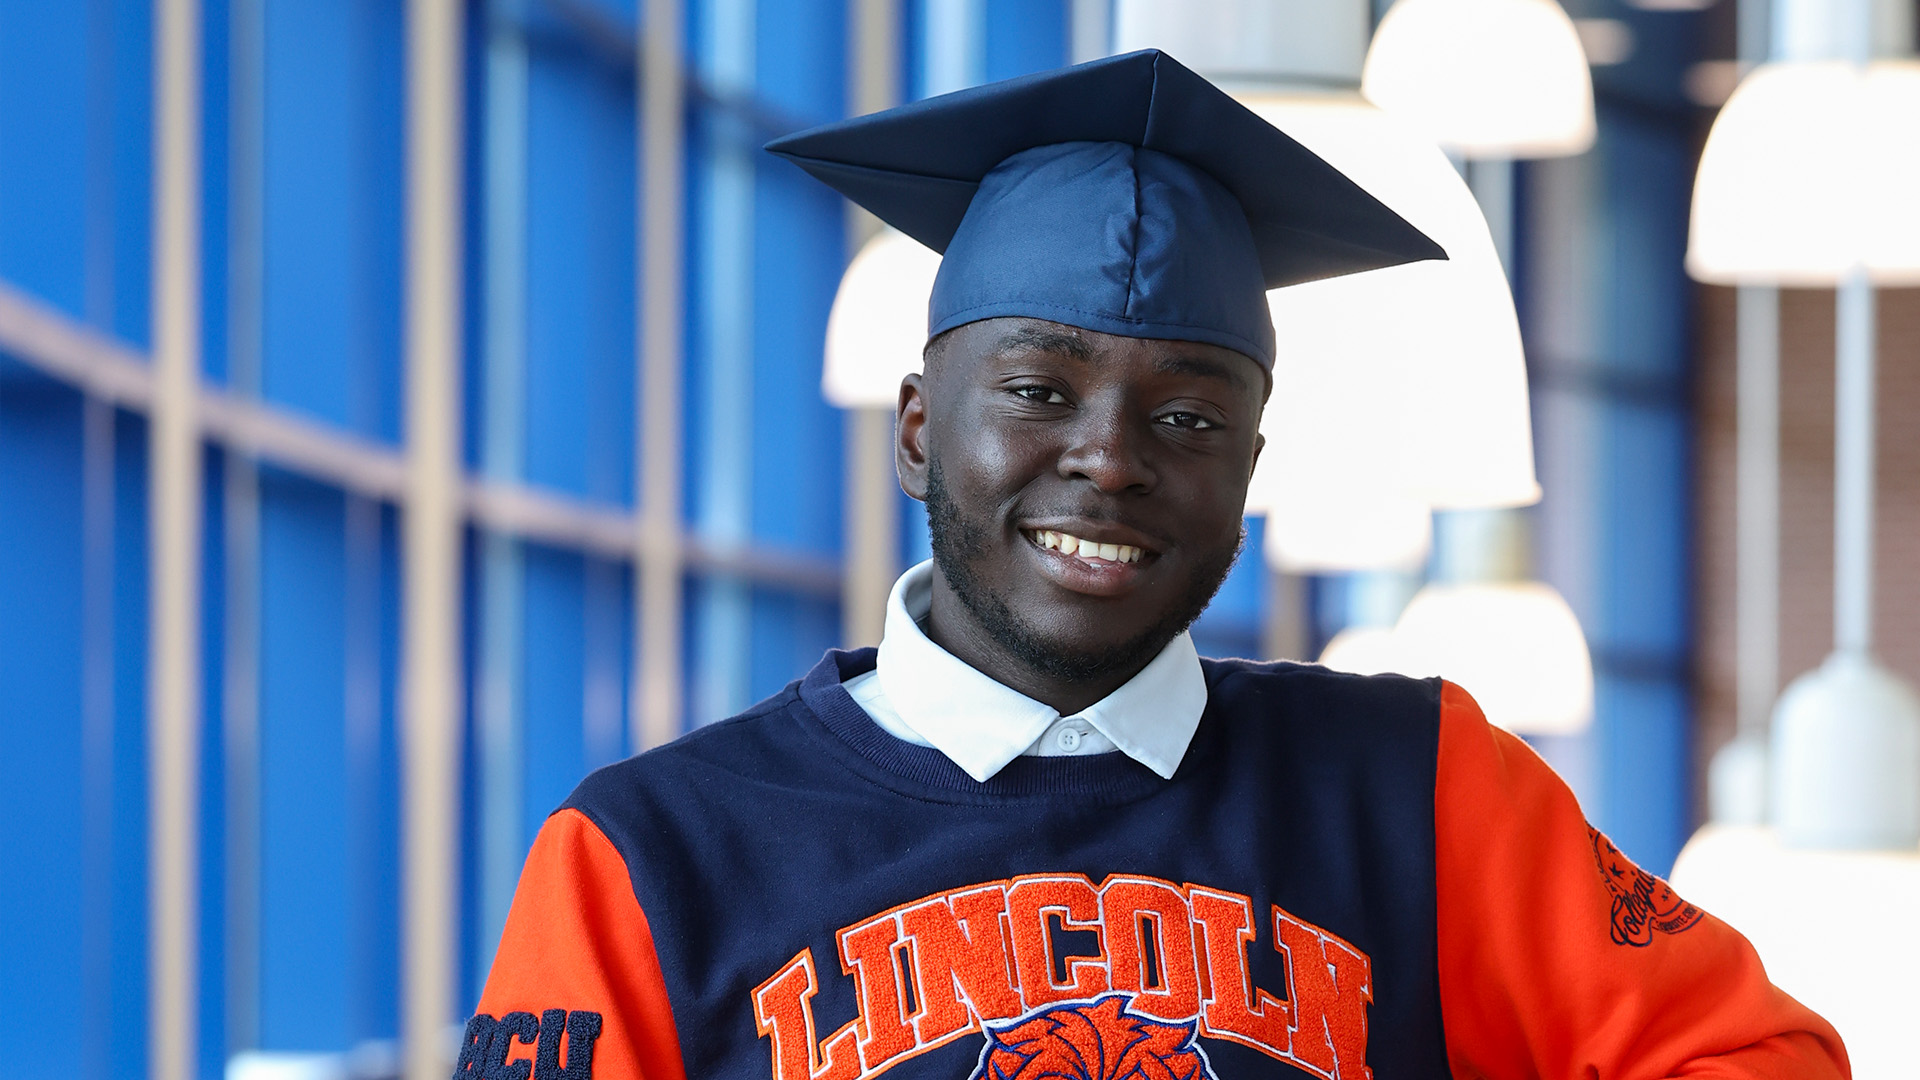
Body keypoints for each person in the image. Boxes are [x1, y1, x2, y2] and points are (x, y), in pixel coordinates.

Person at [462, 51, 1847, 1080]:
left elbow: (1758, 1055)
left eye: (1187, 416)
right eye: (1040, 391)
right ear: (918, 428)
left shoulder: (1419, 785)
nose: (1111, 459)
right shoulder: (654, 856)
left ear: (1248, 467)